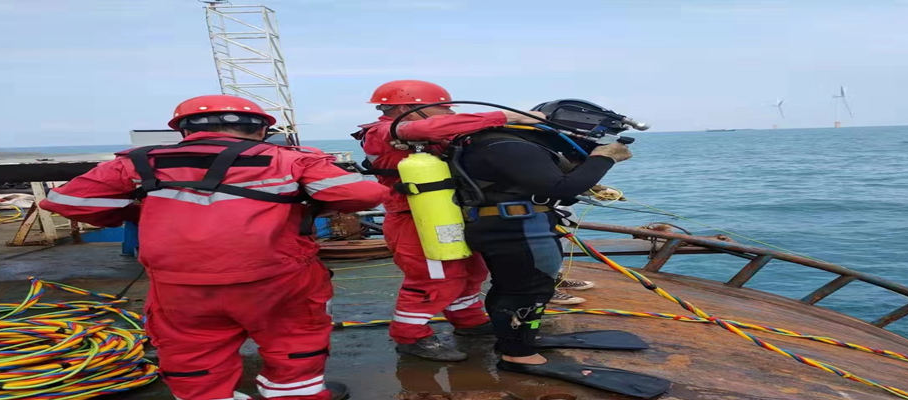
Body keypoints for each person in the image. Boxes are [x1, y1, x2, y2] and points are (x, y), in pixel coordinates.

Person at [40, 95, 387, 400]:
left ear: (184, 130)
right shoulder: (289, 159)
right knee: (294, 344)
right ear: (261, 129)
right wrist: (306, 201)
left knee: (192, 356)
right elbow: (364, 195)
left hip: (181, 286)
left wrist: (141, 210)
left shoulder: (139, 162)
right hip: (277, 282)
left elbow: (64, 200)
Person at [451, 100, 668, 398]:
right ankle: (518, 355)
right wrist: (605, 158)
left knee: (512, 287)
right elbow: (561, 189)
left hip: (510, 225)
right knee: (530, 290)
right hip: (517, 229)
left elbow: (547, 185)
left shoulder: (500, 141)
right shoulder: (509, 146)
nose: (595, 139)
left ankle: (515, 340)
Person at [353, 80, 544, 361]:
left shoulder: (418, 133)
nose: (448, 113)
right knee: (435, 278)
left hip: (444, 214)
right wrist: (511, 116)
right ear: (405, 108)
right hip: (414, 220)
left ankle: (469, 321)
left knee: (471, 270)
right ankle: (410, 336)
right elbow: (422, 129)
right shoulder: (382, 132)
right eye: (441, 108)